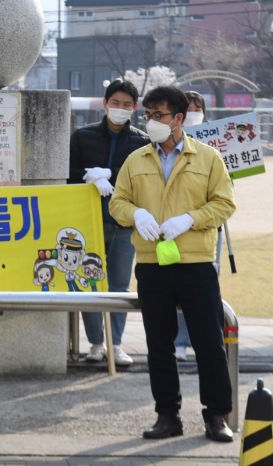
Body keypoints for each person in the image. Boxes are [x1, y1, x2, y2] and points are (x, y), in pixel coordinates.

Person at [110, 86, 235, 442]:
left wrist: (191, 219)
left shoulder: (208, 158)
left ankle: (216, 416)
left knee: (209, 342)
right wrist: (135, 213)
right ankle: (167, 415)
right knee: (159, 344)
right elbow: (117, 203)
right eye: (147, 115)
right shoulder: (136, 160)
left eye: (159, 115)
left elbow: (225, 204)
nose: (151, 122)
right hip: (151, 262)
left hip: (195, 261)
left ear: (179, 119)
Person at [68, 79, 150, 366]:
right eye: (115, 103)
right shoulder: (82, 136)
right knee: (89, 282)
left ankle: (115, 343)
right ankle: (95, 343)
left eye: (126, 105)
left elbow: (143, 180)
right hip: (87, 223)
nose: (120, 109)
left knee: (118, 284)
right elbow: (68, 174)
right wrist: (89, 175)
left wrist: (111, 174)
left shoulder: (142, 141)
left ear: (135, 108)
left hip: (124, 223)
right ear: (105, 104)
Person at [174, 90, 207, 361]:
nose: (194, 113)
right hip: (172, 227)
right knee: (177, 289)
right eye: (189, 108)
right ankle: (180, 341)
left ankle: (201, 339)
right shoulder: (170, 143)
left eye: (198, 108)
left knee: (203, 291)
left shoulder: (214, 144)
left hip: (205, 229)